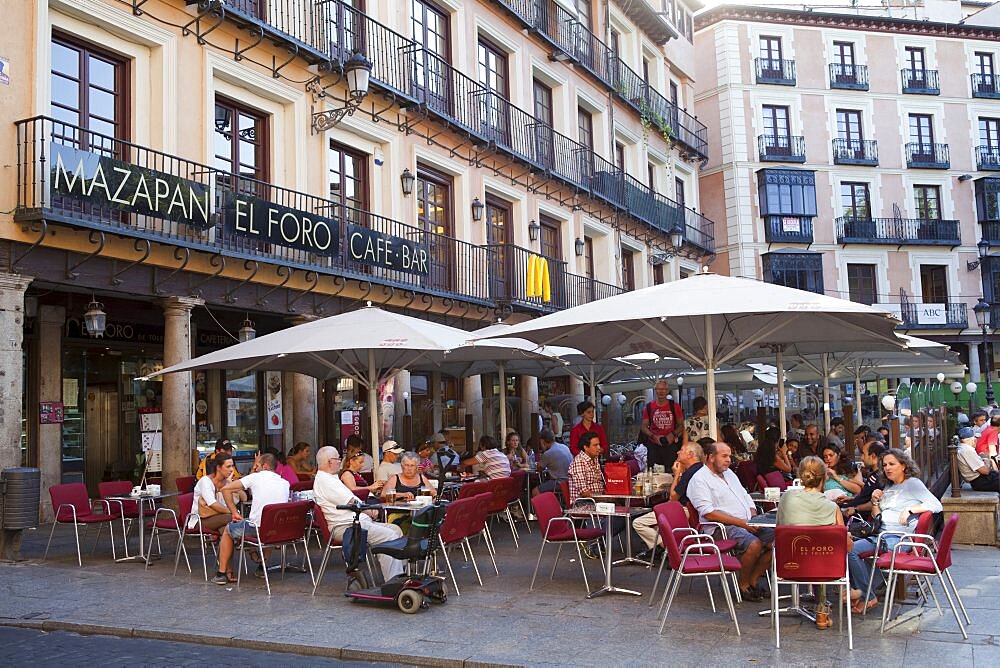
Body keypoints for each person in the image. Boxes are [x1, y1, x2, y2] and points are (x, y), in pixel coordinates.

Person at [847, 449, 943, 613]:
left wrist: (911, 509)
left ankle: (867, 596)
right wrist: (875, 501)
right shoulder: (889, 486)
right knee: (847, 547)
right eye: (884, 465)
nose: (887, 468)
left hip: (897, 538)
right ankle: (864, 593)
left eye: (892, 464)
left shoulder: (912, 483)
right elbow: (878, 518)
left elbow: (936, 505)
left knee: (851, 551)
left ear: (904, 465)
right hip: (882, 534)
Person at [687, 442, 774, 602]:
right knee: (754, 544)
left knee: (777, 540)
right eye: (724, 456)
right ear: (711, 457)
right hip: (720, 528)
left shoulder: (729, 474)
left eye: (729, 456)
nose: (729, 460)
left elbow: (745, 495)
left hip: (747, 521)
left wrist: (753, 515)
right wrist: (742, 523)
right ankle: (743, 585)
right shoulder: (699, 479)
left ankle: (753, 580)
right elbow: (709, 513)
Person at [313, 446, 404, 581]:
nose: (340, 461)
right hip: (346, 526)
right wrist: (369, 510)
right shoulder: (325, 481)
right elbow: (350, 501)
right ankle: (393, 580)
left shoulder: (331, 478)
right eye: (338, 458)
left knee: (396, 529)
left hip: (356, 522)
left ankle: (401, 575)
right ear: (329, 461)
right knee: (388, 535)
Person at [212, 453, 291, 585]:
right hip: (277, 530)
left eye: (257, 465)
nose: (255, 468)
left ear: (264, 466)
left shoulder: (255, 477)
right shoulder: (285, 483)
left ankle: (221, 573)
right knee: (270, 524)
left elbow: (226, 489)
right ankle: (262, 566)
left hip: (257, 529)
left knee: (227, 530)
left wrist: (234, 512)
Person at [640, 379, 685, 471]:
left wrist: (672, 434)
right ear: (655, 390)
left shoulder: (674, 406)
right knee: (653, 471)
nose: (661, 391)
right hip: (654, 444)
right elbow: (644, 427)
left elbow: (681, 425)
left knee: (671, 470)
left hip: (670, 444)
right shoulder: (649, 407)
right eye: (658, 389)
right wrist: (653, 436)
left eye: (663, 389)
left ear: (667, 390)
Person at [841, 442, 888, 518]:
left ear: (873, 456)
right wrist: (852, 498)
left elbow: (877, 502)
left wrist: (856, 509)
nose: (862, 458)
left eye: (863, 454)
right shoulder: (875, 475)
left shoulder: (879, 478)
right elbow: (866, 497)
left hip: (858, 517)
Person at [190, 454, 235, 532]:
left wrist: (230, 483)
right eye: (228, 466)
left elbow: (243, 497)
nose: (231, 469)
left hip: (219, 517)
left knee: (226, 528)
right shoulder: (205, 481)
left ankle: (226, 542)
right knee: (232, 517)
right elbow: (212, 503)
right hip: (200, 520)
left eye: (232, 466)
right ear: (218, 468)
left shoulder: (227, 481)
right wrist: (232, 511)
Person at [956, 426, 1000, 492]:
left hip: (983, 479)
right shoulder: (967, 450)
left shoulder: (964, 448)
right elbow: (985, 471)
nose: (976, 440)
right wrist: (987, 462)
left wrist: (982, 459)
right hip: (981, 481)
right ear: (972, 439)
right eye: (975, 438)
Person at [533, 428, 573, 496]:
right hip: (571, 481)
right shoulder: (564, 446)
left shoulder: (548, 453)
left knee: (535, 491)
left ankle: (542, 507)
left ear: (542, 441)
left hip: (559, 482)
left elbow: (539, 469)